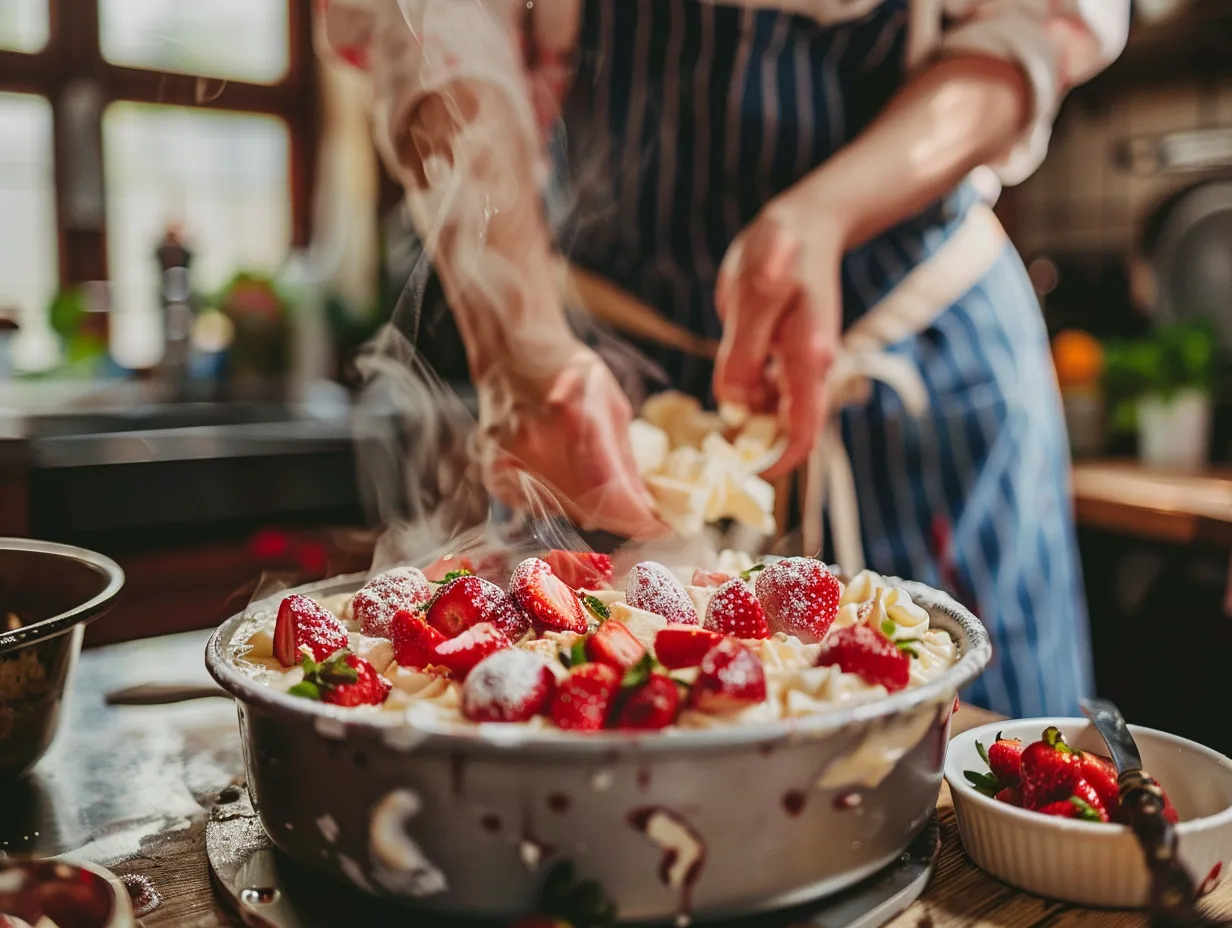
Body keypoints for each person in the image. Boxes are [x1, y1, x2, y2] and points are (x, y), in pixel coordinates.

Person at [321, 0, 1129, 718]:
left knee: (999, 790)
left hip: (923, 361)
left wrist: (827, 211)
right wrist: (522, 347)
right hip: (596, 375)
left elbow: (1029, 28)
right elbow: (429, 25)